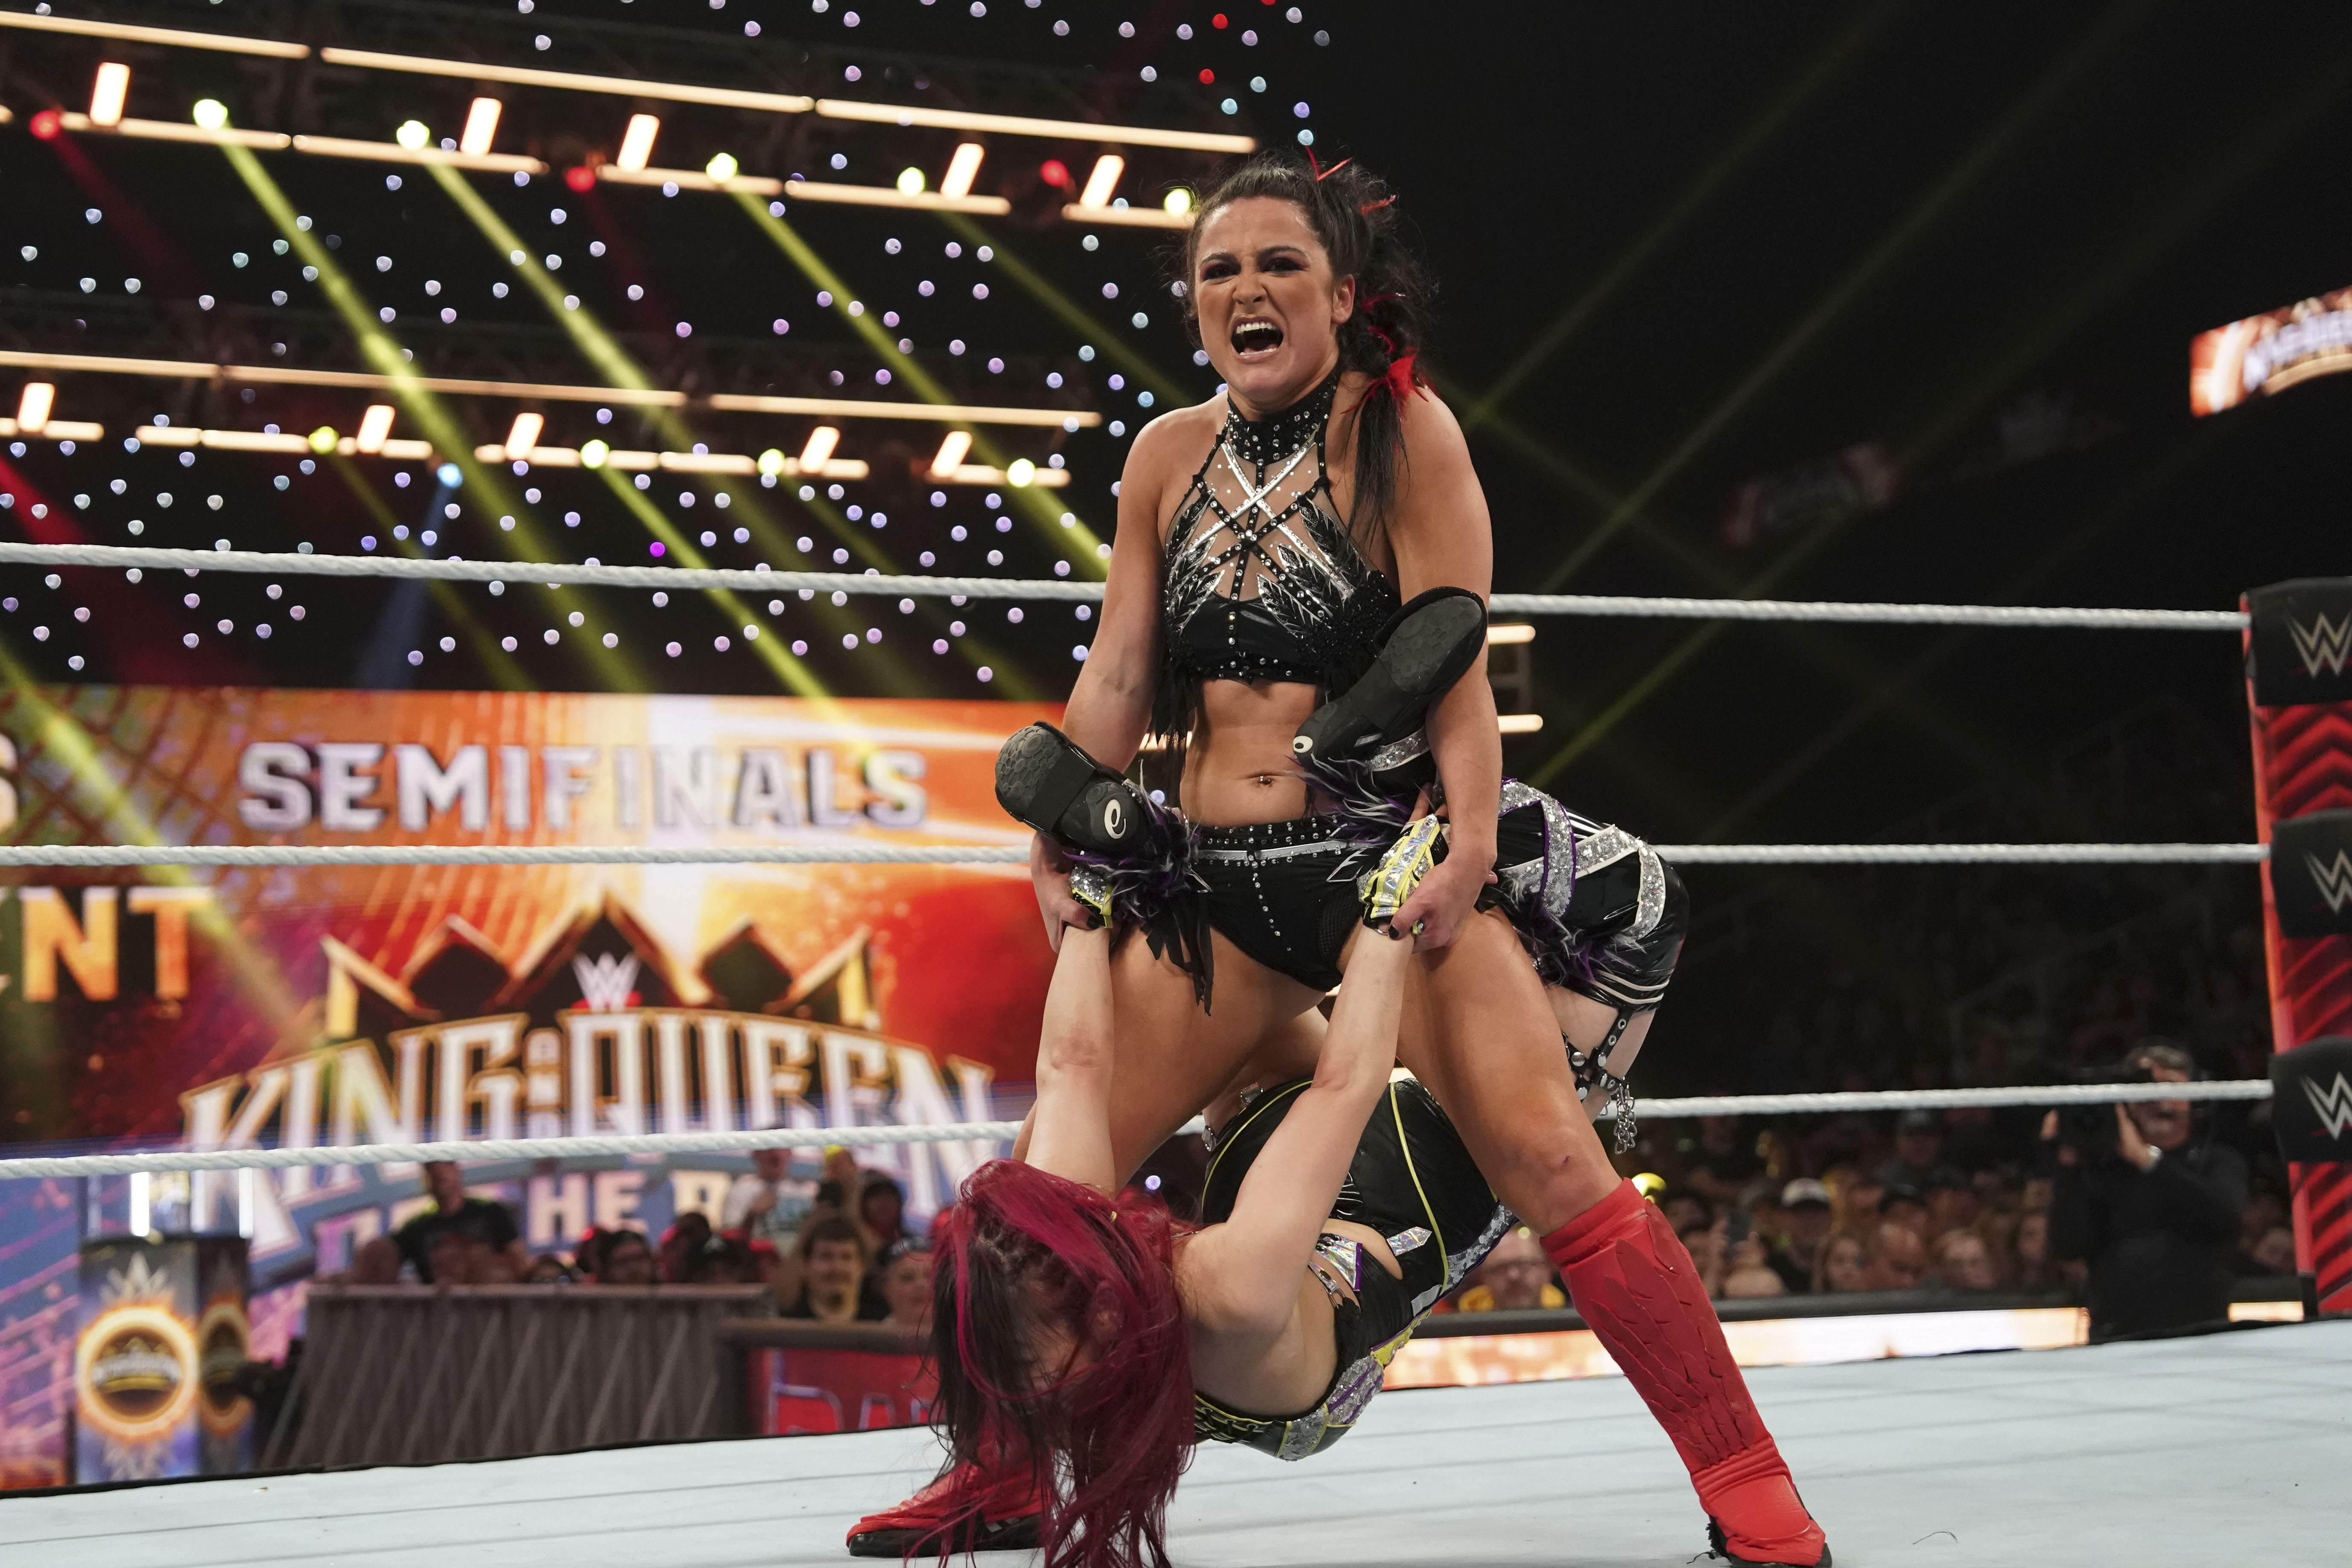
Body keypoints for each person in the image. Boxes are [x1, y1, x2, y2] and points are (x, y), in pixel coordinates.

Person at [853, 150, 1820, 1568]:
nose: (1245, 290)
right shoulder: (1162, 456)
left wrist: (1469, 840)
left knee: (1551, 1151)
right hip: (1209, 881)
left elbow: (1452, 656)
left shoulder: (1403, 434)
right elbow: (1117, 671)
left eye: (1277, 264)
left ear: (1340, 289)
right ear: (1193, 301)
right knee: (1037, 1197)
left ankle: (1749, 1489)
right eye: (1218, 270)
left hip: (1369, 857)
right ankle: (1000, 1472)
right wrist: (1057, 825)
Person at [926, 818, 1514, 1568]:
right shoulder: (1231, 1295)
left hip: (1271, 1167)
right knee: (1529, 1099)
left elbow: (1072, 1066)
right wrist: (1387, 915)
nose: (1048, 1408)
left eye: (1043, 1384)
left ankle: (1236, 886)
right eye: (1033, 1391)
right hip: (1421, 1199)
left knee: (1191, 988)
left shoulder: (1106, 1258)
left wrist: (1088, 907)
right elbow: (1345, 1084)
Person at [2044, 1042, 2248, 1341]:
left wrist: (2146, 1158)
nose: (2159, 1100)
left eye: (2171, 1088)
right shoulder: (2102, 1169)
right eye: (2147, 1089)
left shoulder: (2218, 1161)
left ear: (2192, 1098)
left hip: (2202, 1335)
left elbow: (2225, 1218)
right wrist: (2068, 1165)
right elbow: (2068, 1246)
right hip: (2117, 1337)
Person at [392, 1161, 526, 1284]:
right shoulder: (417, 1228)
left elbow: (519, 1260)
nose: (439, 1171)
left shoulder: (490, 1212)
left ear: (457, 1170)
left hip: (487, 1297)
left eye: (445, 1164)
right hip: (439, 1300)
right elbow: (386, 1256)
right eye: (431, 1167)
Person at [784, 1216, 885, 1323]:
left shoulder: (884, 1326)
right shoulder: (784, 1326)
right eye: (826, 1257)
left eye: (846, 1258)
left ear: (862, 1267)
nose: (837, 1268)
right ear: (806, 1266)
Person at [1451, 1223, 1565, 1311]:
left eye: (1524, 1265)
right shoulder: (1459, 1331)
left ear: (1546, 1271)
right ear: (1485, 1278)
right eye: (1500, 1269)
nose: (1513, 1276)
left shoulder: (1572, 1322)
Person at [1768, 1179, 1835, 1293]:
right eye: (1800, 1213)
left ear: (1830, 1217)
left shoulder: (1848, 1267)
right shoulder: (1771, 1271)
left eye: (1816, 1212)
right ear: (1783, 1219)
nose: (1810, 1222)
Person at [876, 1239, 934, 1334]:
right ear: (887, 1290)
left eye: (931, 1276)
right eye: (907, 1278)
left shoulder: (959, 1337)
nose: (921, 1285)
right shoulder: (871, 1339)